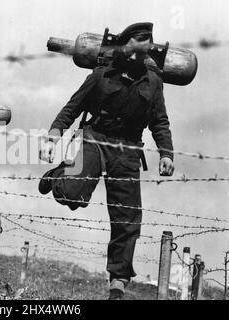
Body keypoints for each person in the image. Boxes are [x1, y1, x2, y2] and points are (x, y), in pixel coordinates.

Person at [39, 22, 174, 299]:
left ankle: (118, 280)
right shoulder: (101, 75)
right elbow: (72, 108)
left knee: (127, 214)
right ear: (123, 49)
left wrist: (166, 153)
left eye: (144, 54)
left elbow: (160, 122)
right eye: (134, 53)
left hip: (128, 149)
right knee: (73, 194)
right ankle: (58, 177)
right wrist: (54, 135)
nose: (139, 59)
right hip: (96, 139)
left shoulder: (153, 82)